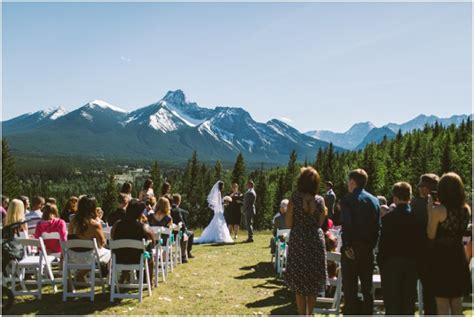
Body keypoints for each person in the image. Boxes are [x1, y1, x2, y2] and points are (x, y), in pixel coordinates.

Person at [285, 167, 327, 315]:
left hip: (299, 240)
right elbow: (321, 223)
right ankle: (310, 314)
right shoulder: (320, 200)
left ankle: (302, 314)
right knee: (313, 280)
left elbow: (289, 224)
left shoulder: (294, 199)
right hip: (315, 240)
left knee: (299, 281)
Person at [427, 172, 471, 315]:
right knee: (457, 303)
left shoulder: (439, 210)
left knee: (442, 304)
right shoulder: (466, 209)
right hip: (458, 257)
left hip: (441, 258)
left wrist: (430, 213)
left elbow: (431, 234)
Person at [377, 182, 422, 315]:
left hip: (391, 265)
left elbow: (383, 245)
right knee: (408, 303)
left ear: (395, 198)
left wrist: (381, 264)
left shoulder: (388, 219)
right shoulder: (416, 218)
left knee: (392, 304)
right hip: (411, 264)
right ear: (410, 197)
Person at [340, 168, 380, 315]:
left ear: (352, 182)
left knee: (350, 290)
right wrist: (371, 246)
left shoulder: (347, 200)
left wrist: (347, 246)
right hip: (368, 249)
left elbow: (347, 225)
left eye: (348, 182)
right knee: (367, 289)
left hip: (352, 250)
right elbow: (378, 227)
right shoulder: (374, 201)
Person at [410, 173, 439, 315]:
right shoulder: (442, 205)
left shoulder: (415, 204)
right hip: (435, 252)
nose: (419, 189)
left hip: (417, 252)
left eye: (422, 186)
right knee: (431, 291)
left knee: (410, 289)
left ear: (428, 188)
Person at [111, 199, 155, 281]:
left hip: (119, 258)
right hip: (138, 259)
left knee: (125, 249)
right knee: (150, 254)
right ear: (140, 213)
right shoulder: (144, 227)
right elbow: (153, 242)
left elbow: (112, 238)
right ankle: (150, 281)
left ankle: (124, 276)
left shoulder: (117, 225)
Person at [68, 196, 111, 266]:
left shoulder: (73, 222)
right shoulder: (95, 224)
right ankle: (87, 272)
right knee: (110, 253)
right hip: (90, 256)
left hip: (74, 255)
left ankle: (83, 272)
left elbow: (70, 237)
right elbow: (102, 243)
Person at [171, 194, 195, 260]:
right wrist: (186, 228)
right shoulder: (177, 211)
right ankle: (187, 252)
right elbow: (182, 223)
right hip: (179, 233)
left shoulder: (168, 209)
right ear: (179, 201)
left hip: (171, 233)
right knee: (191, 233)